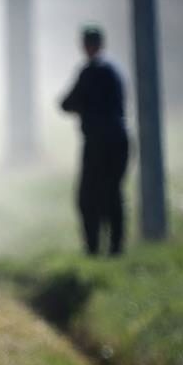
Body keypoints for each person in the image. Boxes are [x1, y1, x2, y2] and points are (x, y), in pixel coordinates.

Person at [59, 25, 130, 256]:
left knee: (89, 197)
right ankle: (114, 249)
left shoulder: (91, 71)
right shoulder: (113, 71)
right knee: (111, 194)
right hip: (118, 140)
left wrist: (84, 107)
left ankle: (95, 249)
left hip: (99, 143)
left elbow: (66, 103)